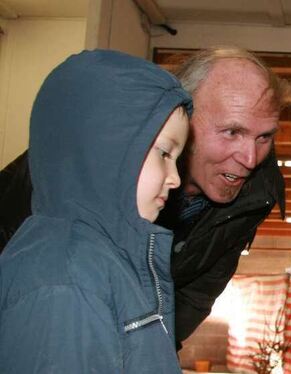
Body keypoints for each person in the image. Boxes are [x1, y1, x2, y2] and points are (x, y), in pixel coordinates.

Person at [0, 46, 291, 348]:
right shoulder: (82, 157)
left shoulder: (255, 195)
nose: (250, 158)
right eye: (232, 132)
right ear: (181, 116)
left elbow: (195, 296)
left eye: (264, 137)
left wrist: (147, 353)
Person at [0, 50, 192, 372]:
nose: (175, 179)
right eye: (164, 153)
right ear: (107, 149)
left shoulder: (106, 261)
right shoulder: (65, 279)